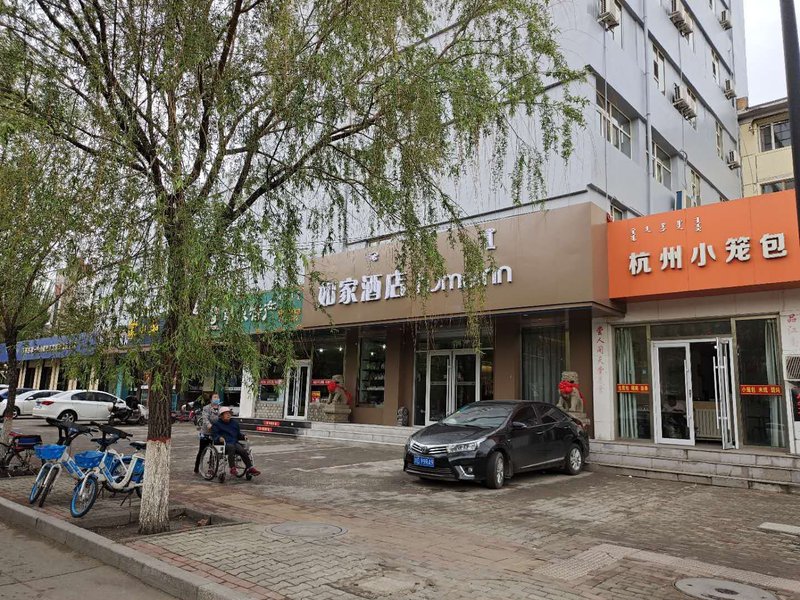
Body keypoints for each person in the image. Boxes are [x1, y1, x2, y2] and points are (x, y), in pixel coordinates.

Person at [211, 406, 260, 477]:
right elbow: (215, 435)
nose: (228, 415)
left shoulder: (234, 423)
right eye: (226, 413)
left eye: (229, 413)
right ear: (221, 415)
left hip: (234, 442)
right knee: (231, 447)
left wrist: (243, 436)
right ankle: (232, 468)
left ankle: (250, 468)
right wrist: (219, 438)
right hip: (223, 444)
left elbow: (238, 434)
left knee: (242, 450)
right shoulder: (216, 424)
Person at [193, 393, 221, 474]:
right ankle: (197, 467)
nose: (216, 399)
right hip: (206, 433)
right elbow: (205, 418)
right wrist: (209, 425)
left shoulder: (220, 409)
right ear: (211, 399)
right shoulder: (206, 408)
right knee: (202, 451)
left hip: (216, 433)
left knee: (214, 452)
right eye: (215, 397)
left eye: (217, 397)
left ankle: (211, 468)